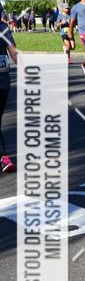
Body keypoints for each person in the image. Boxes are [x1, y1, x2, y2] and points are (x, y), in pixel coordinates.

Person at [0, 13, 18, 172]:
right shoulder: (4, 28)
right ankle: (4, 157)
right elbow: (14, 54)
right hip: (4, 83)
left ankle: (4, 157)